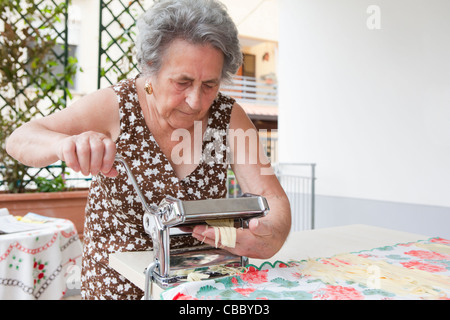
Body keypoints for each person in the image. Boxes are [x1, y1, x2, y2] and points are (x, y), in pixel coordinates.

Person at [6, 0, 291, 299]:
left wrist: (269, 234)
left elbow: (271, 198)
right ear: (150, 69)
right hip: (118, 286)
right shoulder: (116, 106)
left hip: (199, 287)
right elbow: (20, 139)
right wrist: (64, 144)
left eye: (210, 84)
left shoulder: (227, 116)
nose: (196, 101)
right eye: (183, 81)